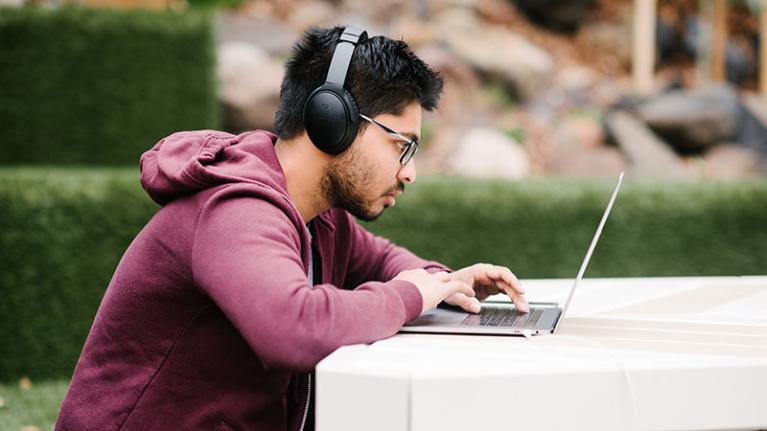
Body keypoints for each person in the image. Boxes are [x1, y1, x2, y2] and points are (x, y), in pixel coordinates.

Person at [56, 25, 528, 431]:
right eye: (401, 146)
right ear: (333, 121)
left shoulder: (321, 215)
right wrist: (409, 295)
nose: (409, 173)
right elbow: (292, 329)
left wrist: (443, 283)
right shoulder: (236, 207)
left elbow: (381, 260)